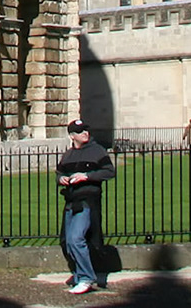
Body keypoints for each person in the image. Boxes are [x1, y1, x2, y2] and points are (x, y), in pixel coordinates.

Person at [56, 119, 115, 296]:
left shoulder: (97, 151)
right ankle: (79, 273)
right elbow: (59, 173)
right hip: (71, 200)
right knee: (66, 242)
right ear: (72, 135)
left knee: (76, 238)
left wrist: (87, 176)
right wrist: (61, 180)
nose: (85, 134)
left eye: (86, 131)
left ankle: (86, 277)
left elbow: (109, 171)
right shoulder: (67, 155)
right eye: (81, 131)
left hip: (87, 201)